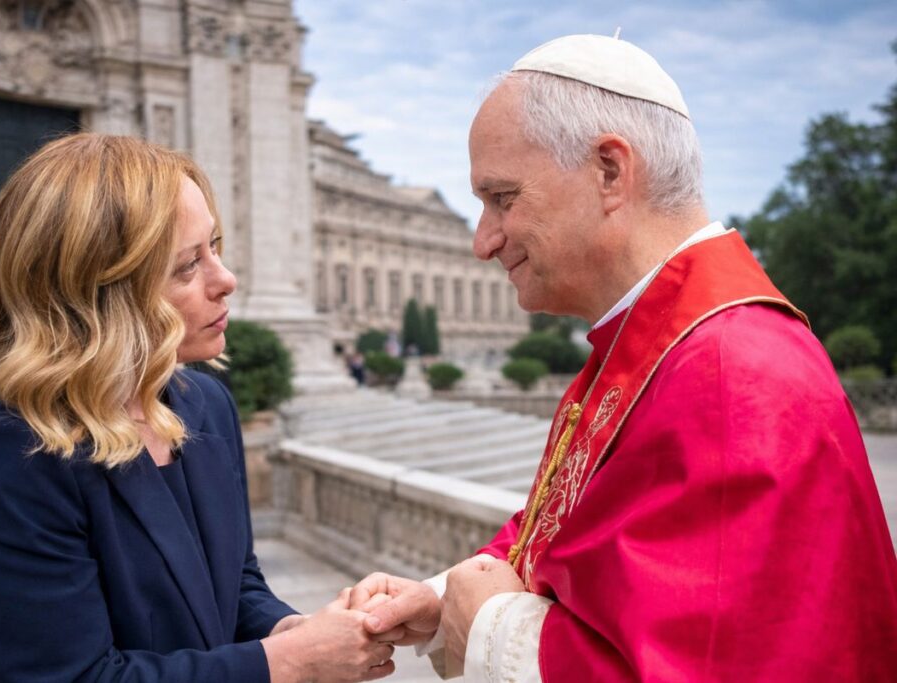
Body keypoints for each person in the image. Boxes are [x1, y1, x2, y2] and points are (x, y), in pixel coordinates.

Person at [349, 34, 897, 681]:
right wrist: (444, 601)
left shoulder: (729, 373)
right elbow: (568, 533)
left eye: (503, 198)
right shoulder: (656, 344)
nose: (484, 241)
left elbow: (702, 666)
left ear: (610, 172)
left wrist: (490, 623)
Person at [0, 133, 399, 682]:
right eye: (187, 266)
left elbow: (235, 587)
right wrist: (291, 662)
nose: (226, 280)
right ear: (97, 293)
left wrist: (295, 631)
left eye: (214, 247)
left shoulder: (205, 405)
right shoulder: (7, 459)